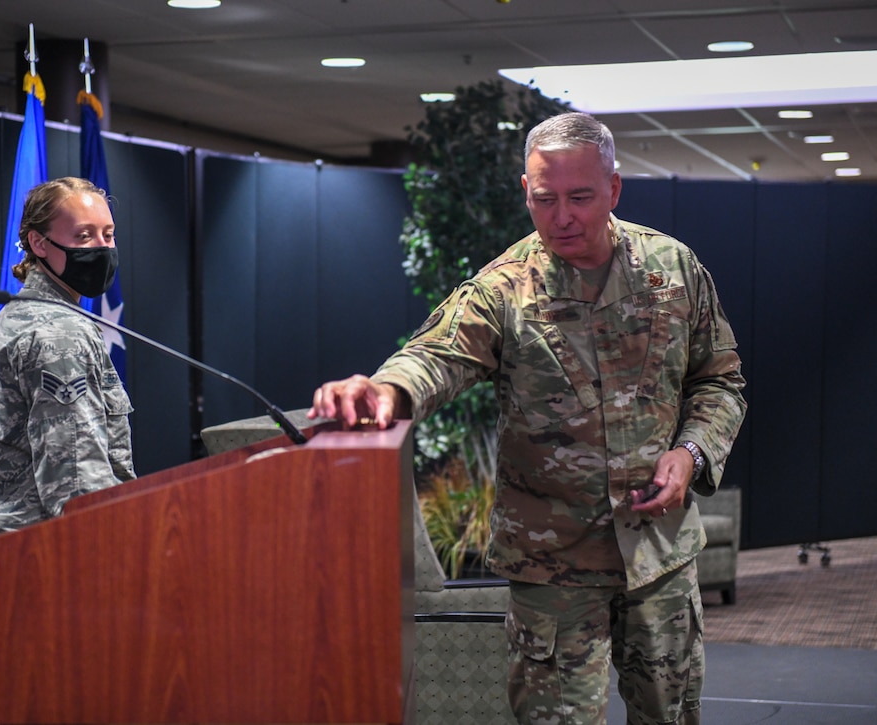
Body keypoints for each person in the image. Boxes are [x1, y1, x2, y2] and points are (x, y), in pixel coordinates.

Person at [308, 112, 747, 724]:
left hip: (659, 557)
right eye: (544, 199)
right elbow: (435, 356)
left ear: (614, 189)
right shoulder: (505, 289)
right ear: (526, 192)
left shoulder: (673, 270)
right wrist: (385, 391)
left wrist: (692, 453)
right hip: (554, 572)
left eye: (580, 197)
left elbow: (719, 382)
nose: (562, 216)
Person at [0, 177, 135, 544]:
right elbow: (75, 484)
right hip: (55, 563)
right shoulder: (59, 334)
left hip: (14, 556)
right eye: (84, 236)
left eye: (108, 234)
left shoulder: (26, 315)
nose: (102, 248)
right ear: (39, 243)